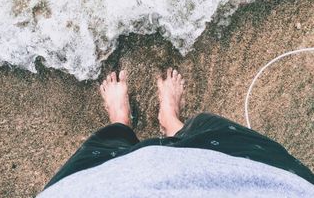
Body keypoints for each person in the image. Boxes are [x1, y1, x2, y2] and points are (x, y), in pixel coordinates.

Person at [38, 69, 314, 197]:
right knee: (206, 130)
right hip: (251, 183)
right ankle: (172, 122)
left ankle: (121, 121)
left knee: (105, 147)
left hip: (92, 189)